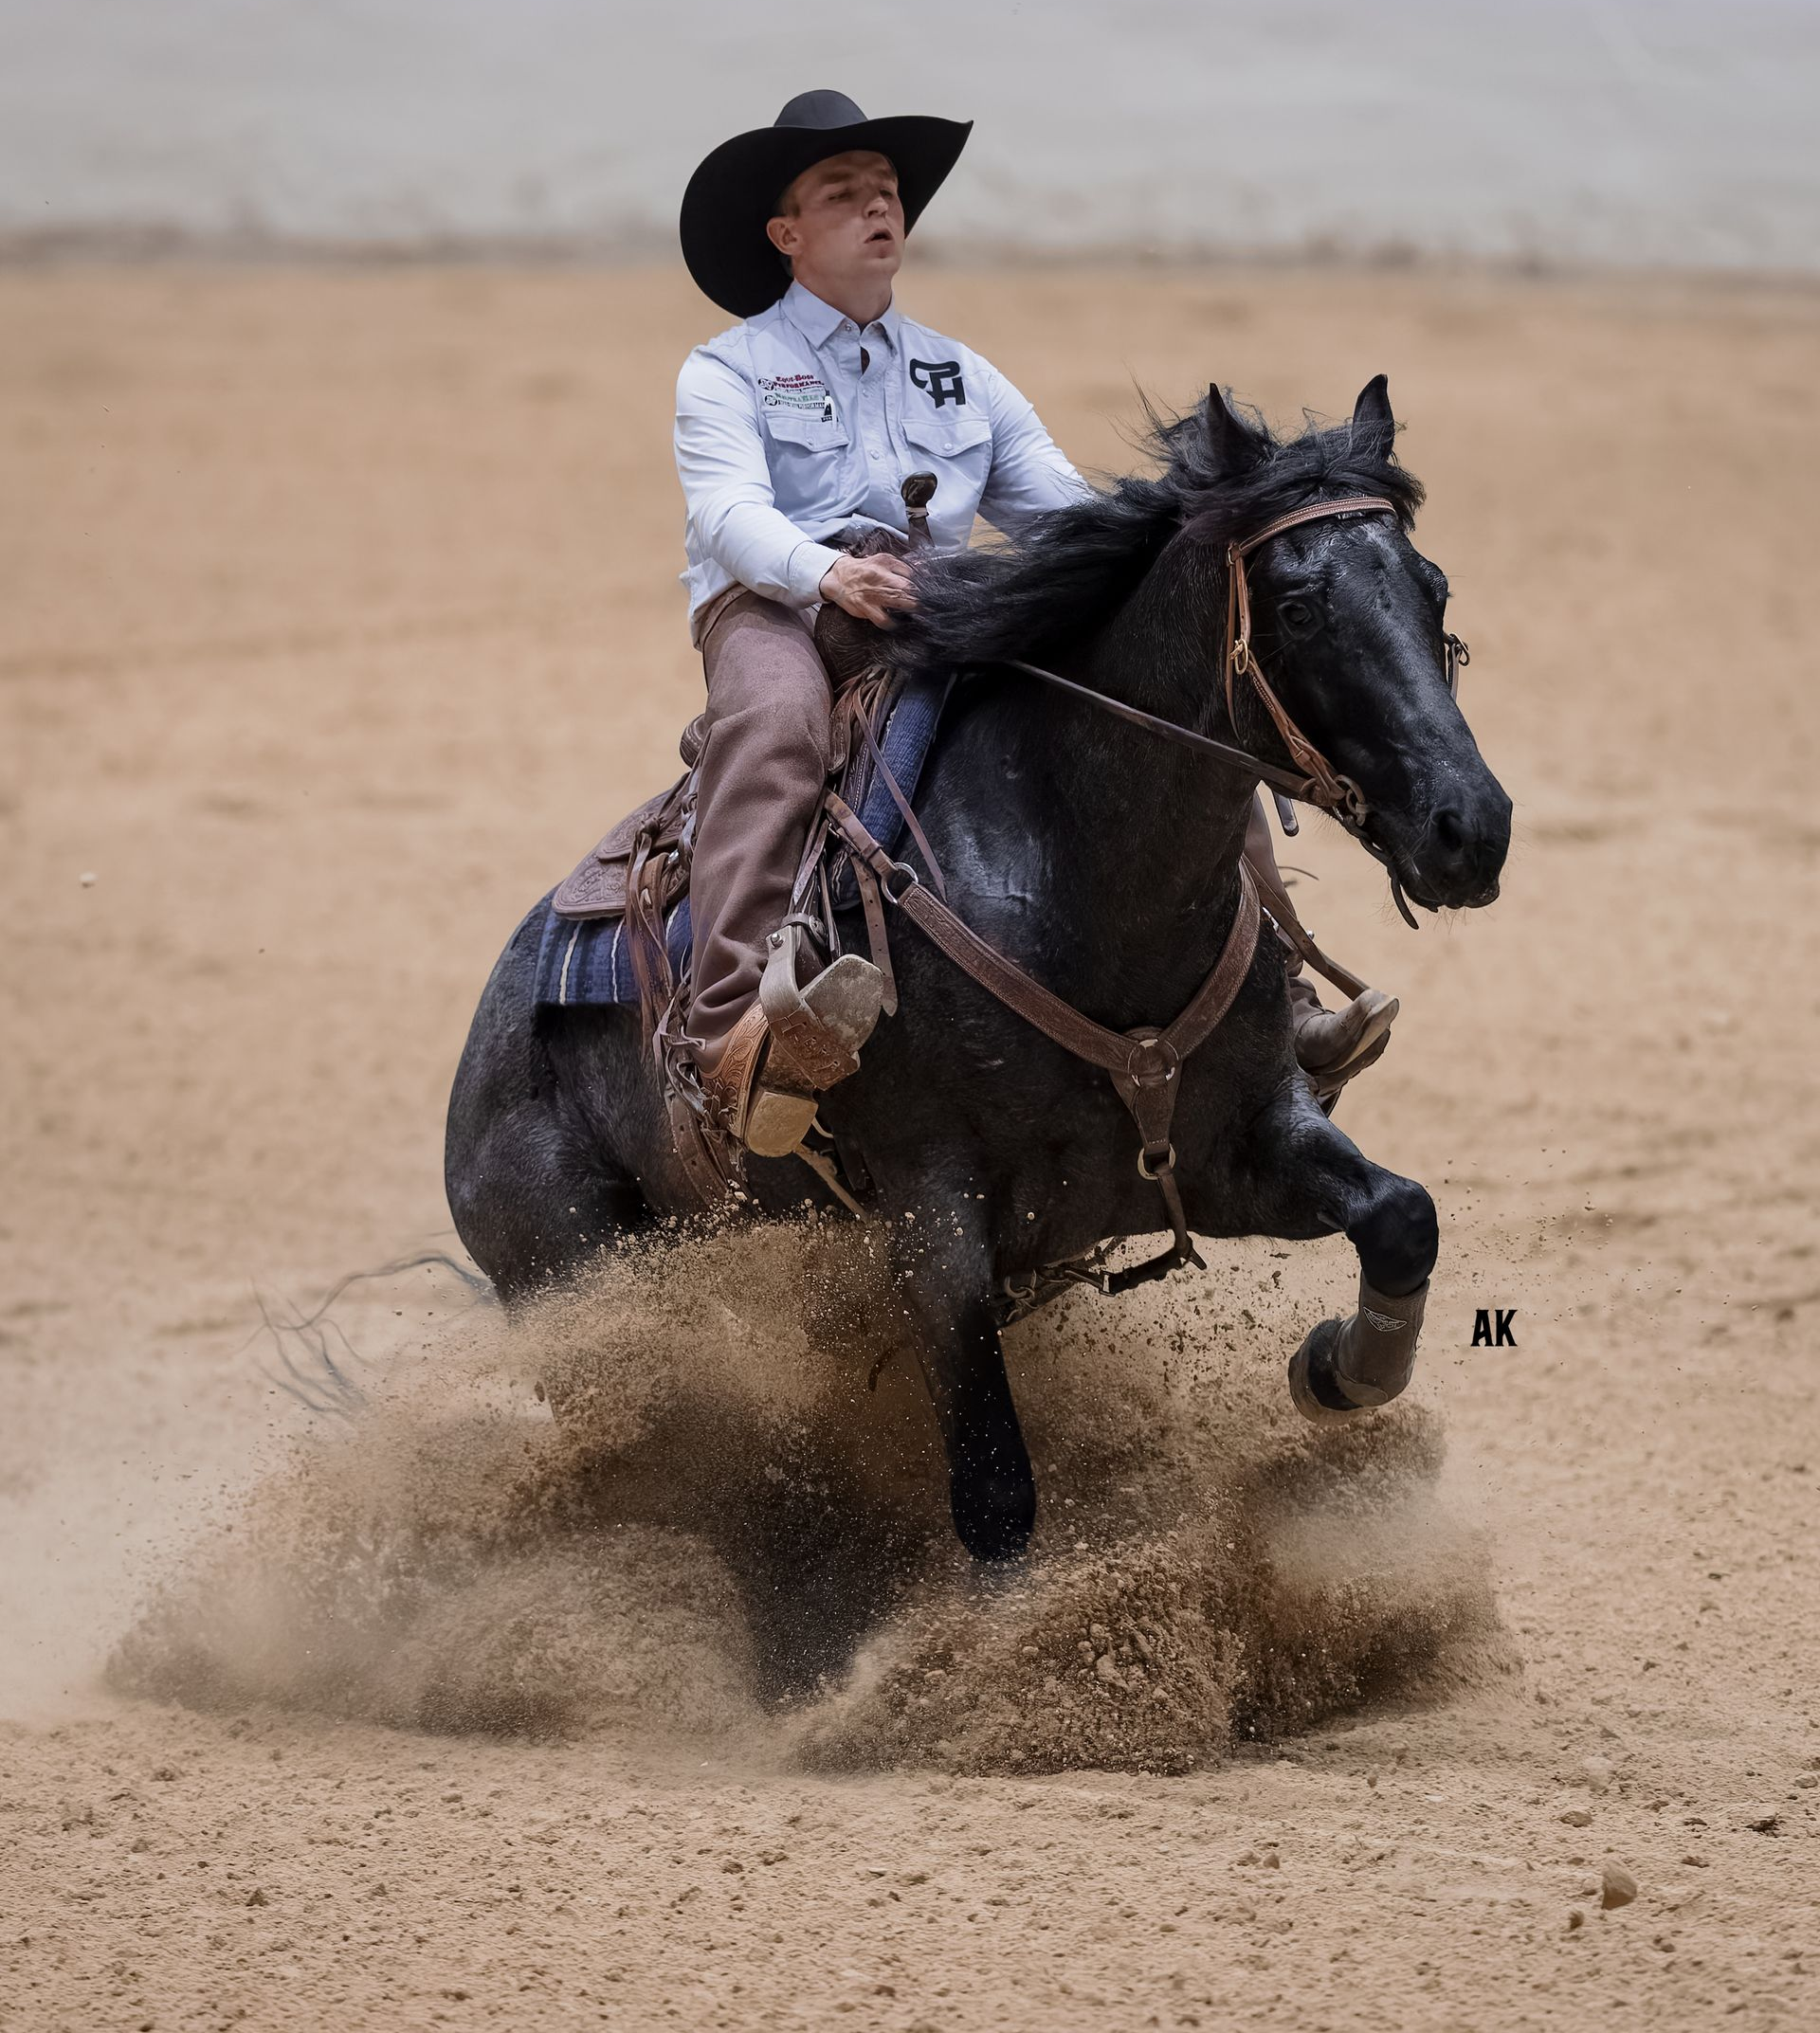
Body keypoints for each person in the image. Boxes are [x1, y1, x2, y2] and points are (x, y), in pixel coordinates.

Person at [673, 91, 1392, 1154]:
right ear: (786, 235)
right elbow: (727, 513)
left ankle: (1278, 993)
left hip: (939, 604)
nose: (879, 206)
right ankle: (726, 1036)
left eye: (886, 191)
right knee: (778, 724)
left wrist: (1181, 547)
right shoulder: (726, 369)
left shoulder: (961, 375)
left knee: (1173, 716)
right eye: (842, 193)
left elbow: (1062, 511)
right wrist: (826, 574)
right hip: (777, 604)